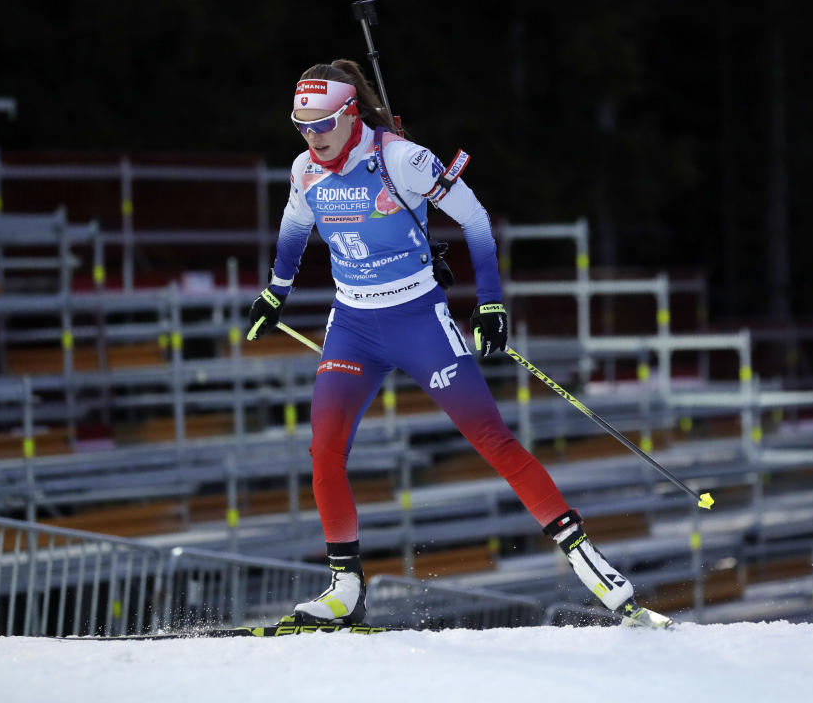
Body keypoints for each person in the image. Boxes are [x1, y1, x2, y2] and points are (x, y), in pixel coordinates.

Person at [247, 58, 671, 629]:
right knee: (324, 449)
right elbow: (293, 231)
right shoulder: (305, 170)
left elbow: (474, 221)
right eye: (301, 125)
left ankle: (587, 559)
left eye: (321, 124)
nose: (311, 136)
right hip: (352, 324)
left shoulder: (402, 158)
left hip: (418, 317)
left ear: (350, 115)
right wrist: (276, 292)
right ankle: (345, 587)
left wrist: (490, 301)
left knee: (490, 436)